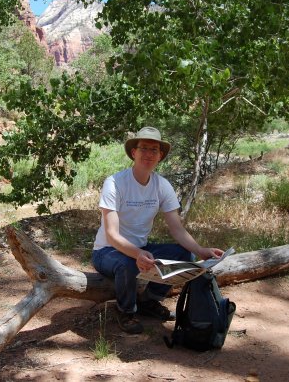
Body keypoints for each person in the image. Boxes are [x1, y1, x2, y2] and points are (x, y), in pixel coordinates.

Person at [92, 126, 224, 334]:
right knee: (127, 263)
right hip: (107, 251)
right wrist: (136, 254)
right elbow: (112, 234)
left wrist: (201, 251)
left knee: (183, 254)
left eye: (154, 150)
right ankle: (125, 311)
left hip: (140, 248)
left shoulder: (162, 185)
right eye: (144, 148)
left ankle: (149, 301)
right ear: (133, 152)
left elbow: (177, 229)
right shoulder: (115, 183)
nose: (149, 154)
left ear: (160, 156)